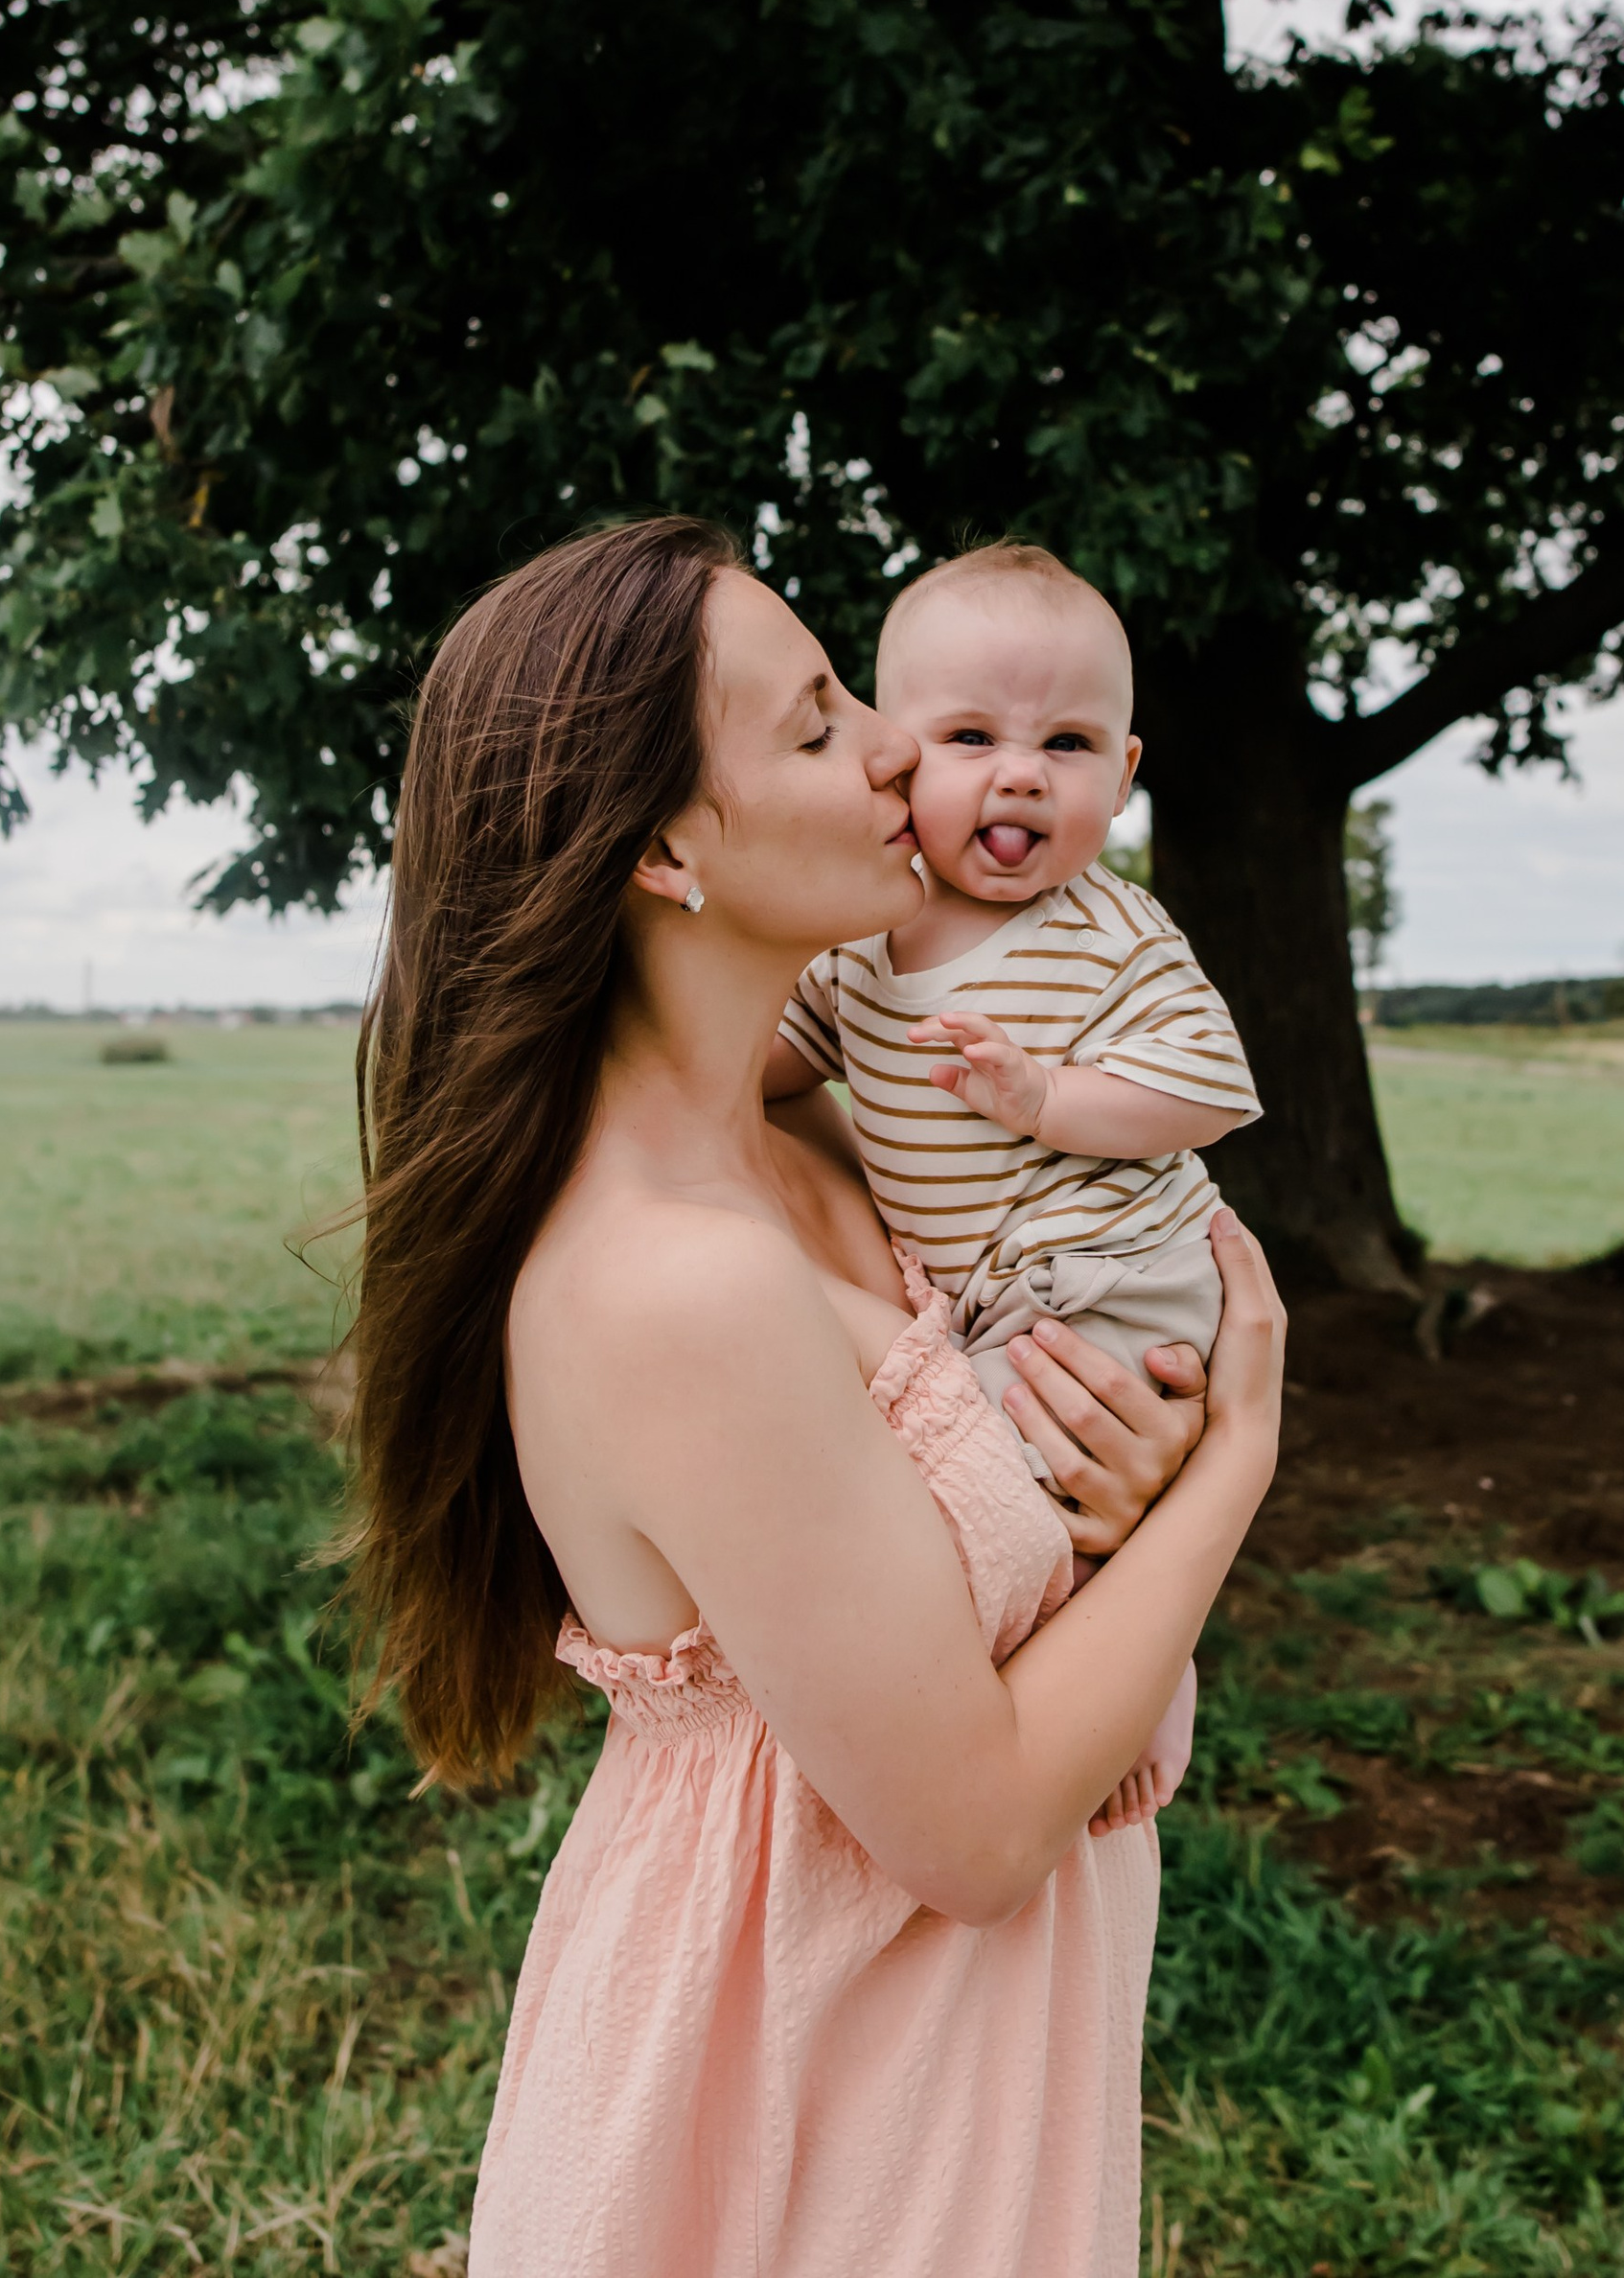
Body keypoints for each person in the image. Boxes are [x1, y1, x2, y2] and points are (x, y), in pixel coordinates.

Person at [336, 515, 1285, 2278]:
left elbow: (998, 1604)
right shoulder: (675, 1281)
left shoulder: (830, 1149)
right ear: (665, 851)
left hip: (959, 2061)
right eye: (820, 719)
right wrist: (1233, 1462)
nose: (898, 751)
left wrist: (1117, 1494)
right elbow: (982, 1830)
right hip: (822, 2128)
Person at [761, 536, 1262, 1825]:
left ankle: (1131, 1687)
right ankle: (1064, 1689)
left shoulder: (1112, 931)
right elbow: (779, 1060)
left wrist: (1047, 1096)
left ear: (1127, 773)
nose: (1024, 775)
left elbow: (1212, 1085)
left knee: (1027, 1492)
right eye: (972, 736)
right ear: (898, 756)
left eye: (1072, 745)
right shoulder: (862, 944)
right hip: (987, 1290)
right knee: (1001, 1481)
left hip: (1110, 1265)